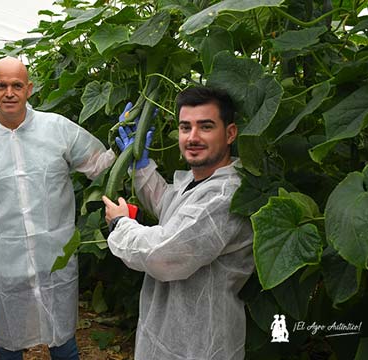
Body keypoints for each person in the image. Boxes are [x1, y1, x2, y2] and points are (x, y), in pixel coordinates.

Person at [0, 57, 115, 359]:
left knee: (64, 343)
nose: (10, 93)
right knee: (8, 346)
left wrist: (126, 148)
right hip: (4, 265)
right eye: (1, 86)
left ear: (30, 89)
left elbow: (99, 165)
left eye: (17, 85)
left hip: (53, 261)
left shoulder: (57, 129)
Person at [102, 86, 254, 360]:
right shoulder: (199, 183)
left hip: (200, 346)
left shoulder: (226, 196)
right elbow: (174, 211)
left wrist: (121, 225)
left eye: (205, 127)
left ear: (230, 133)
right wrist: (142, 168)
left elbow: (163, 254)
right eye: (186, 127)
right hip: (169, 336)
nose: (193, 137)